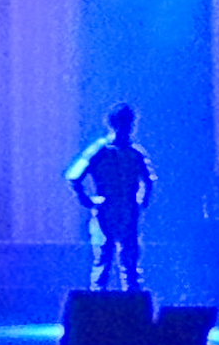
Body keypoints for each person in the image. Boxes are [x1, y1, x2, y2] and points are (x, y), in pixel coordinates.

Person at [67, 104, 156, 292]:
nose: (127, 128)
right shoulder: (100, 150)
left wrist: (142, 200)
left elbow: (148, 179)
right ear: (113, 124)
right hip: (105, 210)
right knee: (103, 258)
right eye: (123, 123)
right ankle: (96, 303)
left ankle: (132, 303)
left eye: (129, 123)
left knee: (130, 262)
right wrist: (87, 200)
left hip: (128, 210)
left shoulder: (135, 152)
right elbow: (74, 176)